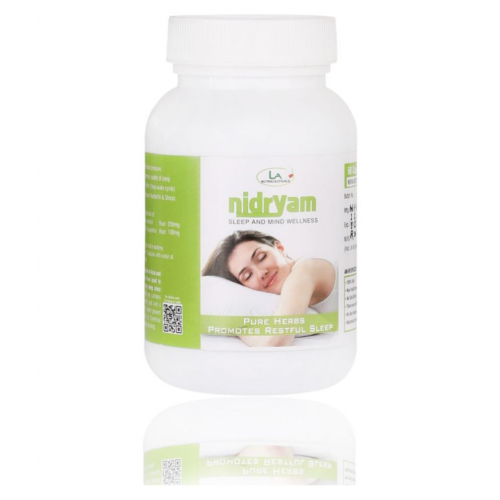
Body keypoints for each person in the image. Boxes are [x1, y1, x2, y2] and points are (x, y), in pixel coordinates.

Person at [203, 230, 336, 347]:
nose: (262, 273)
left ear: (280, 248)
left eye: (261, 257)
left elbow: (276, 342)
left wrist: (239, 329)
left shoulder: (305, 270)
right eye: (248, 275)